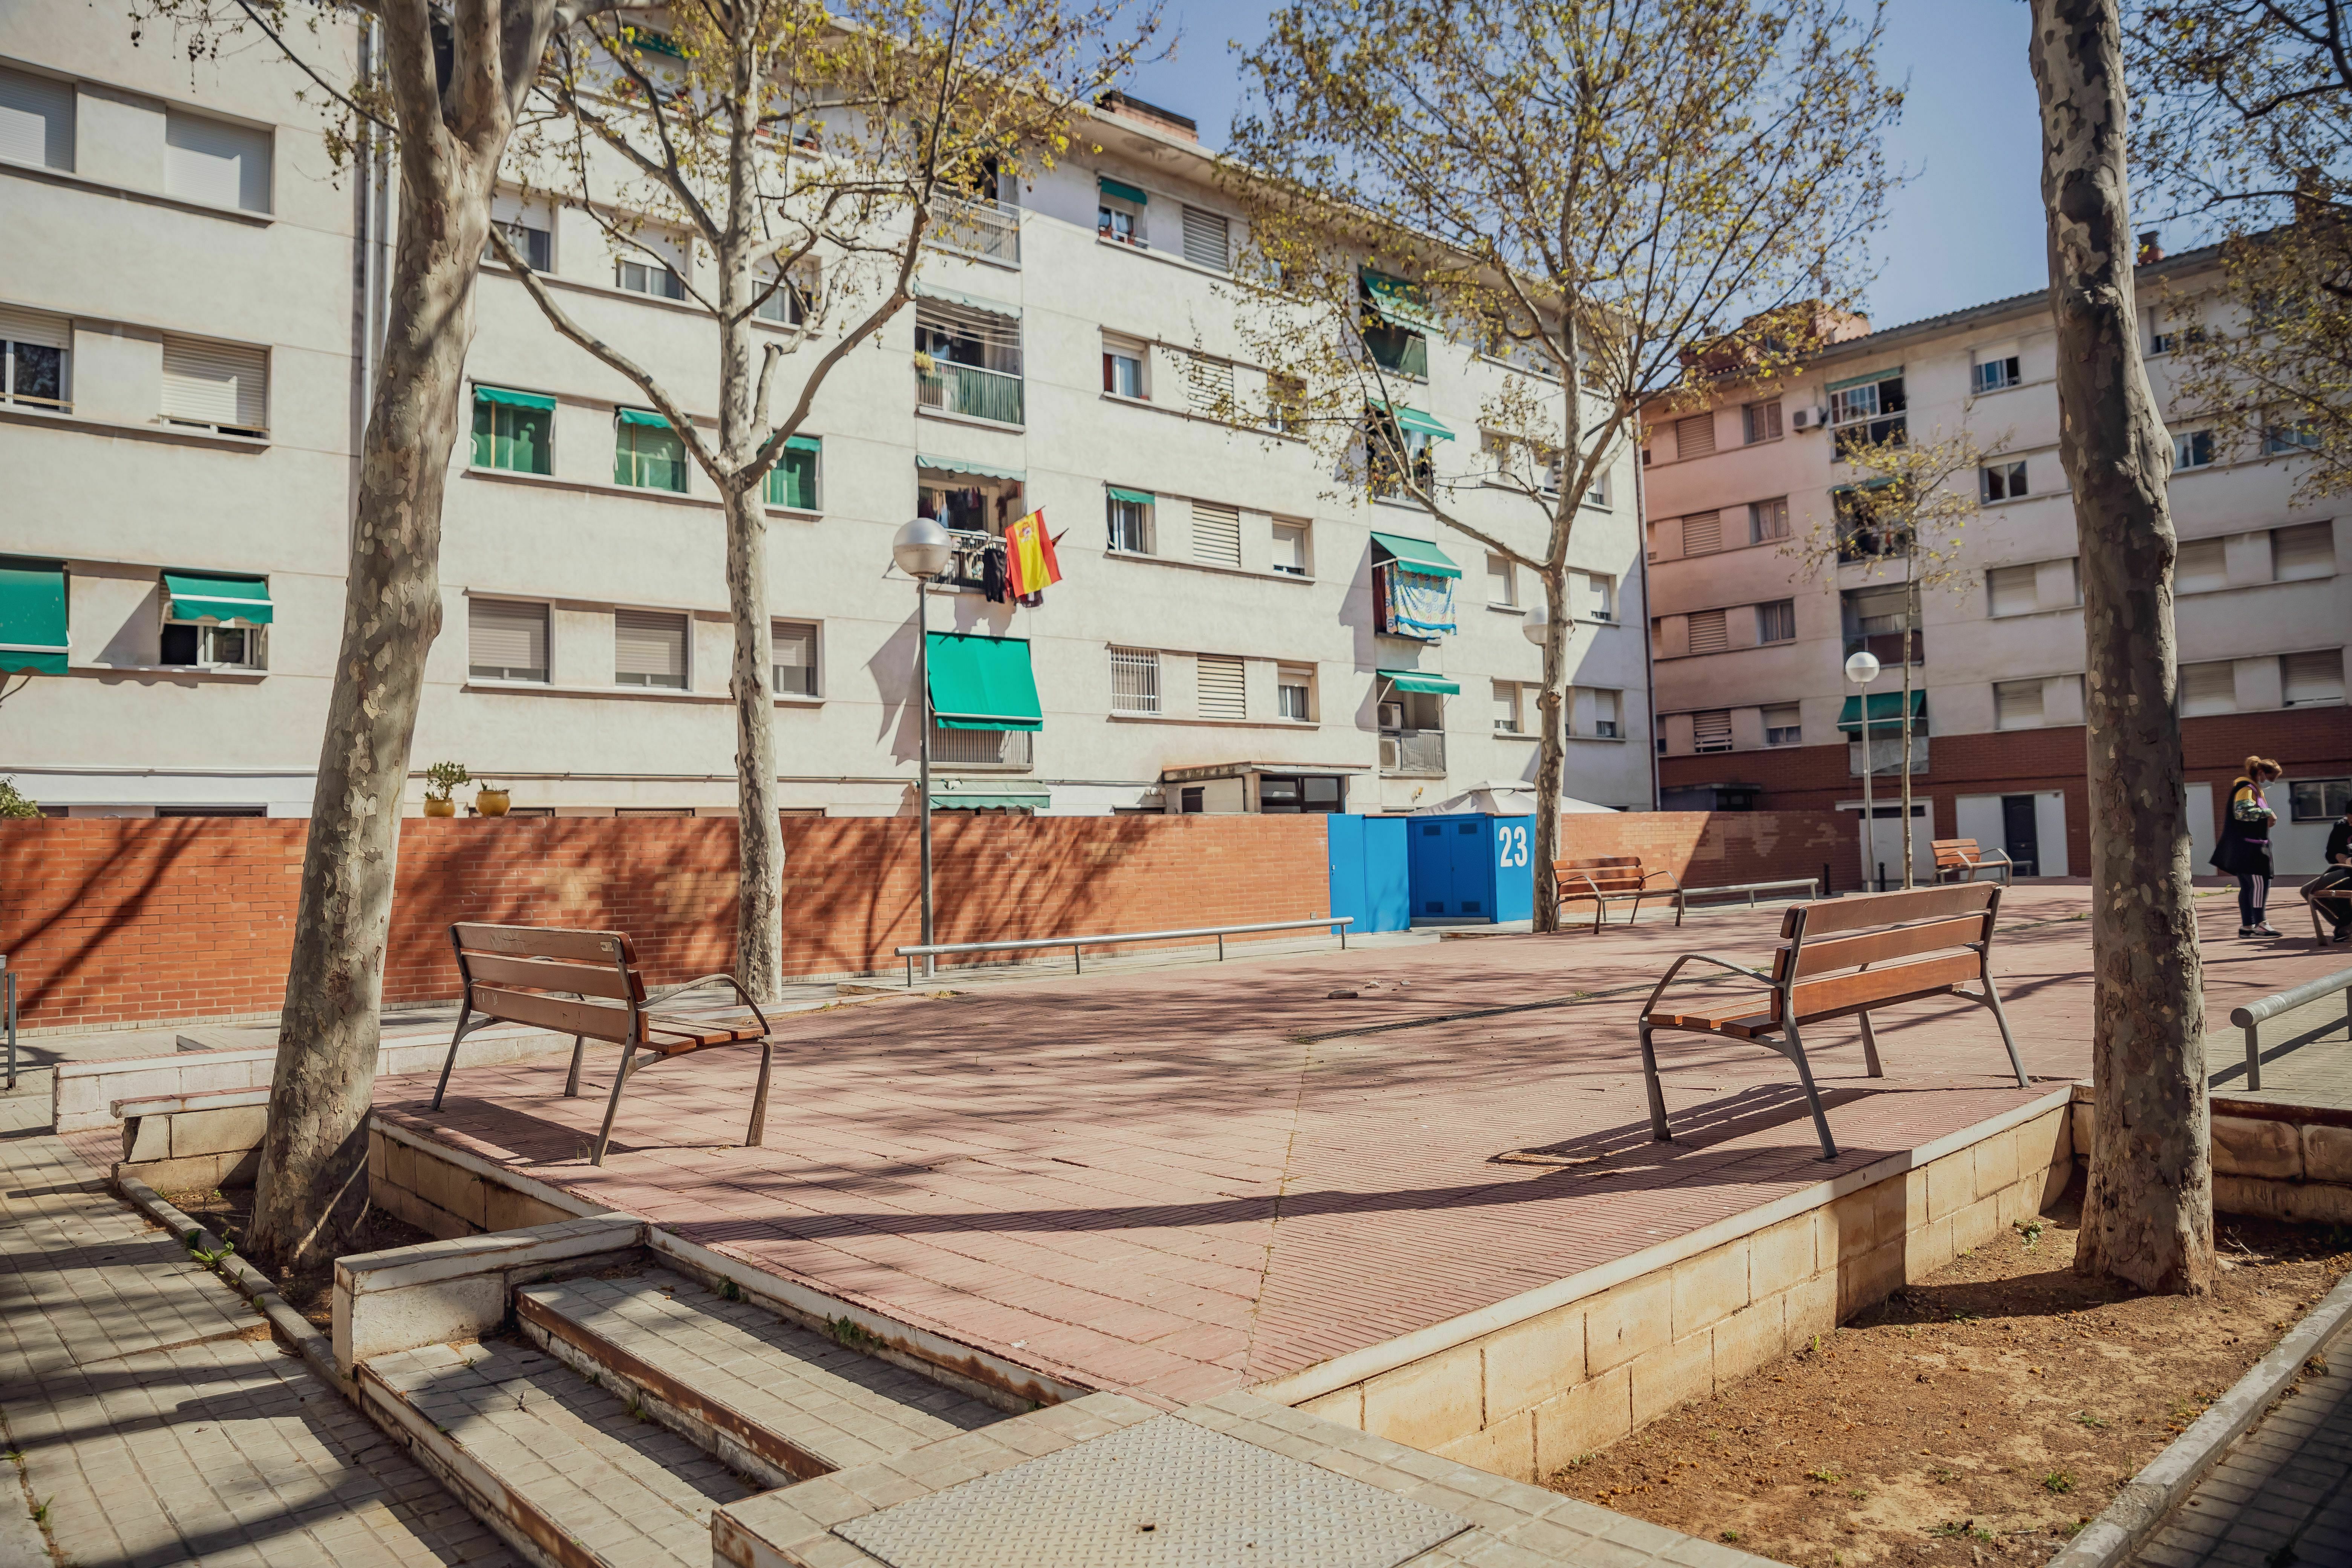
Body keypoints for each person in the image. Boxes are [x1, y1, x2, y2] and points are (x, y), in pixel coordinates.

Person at [2211, 756, 2282, 937]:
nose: (2272, 782)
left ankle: (2247, 926)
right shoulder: (2247, 788)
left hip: (2246, 848)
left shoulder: (2252, 789)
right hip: (2251, 849)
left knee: (2248, 887)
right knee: (2260, 885)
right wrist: (2269, 812)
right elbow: (2243, 812)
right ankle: (2260, 923)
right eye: (2271, 778)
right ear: (2261, 773)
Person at [2303, 794, 2352, 943]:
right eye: (2349, 820)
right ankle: (2344, 923)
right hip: (2345, 870)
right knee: (2308, 891)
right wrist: (2341, 857)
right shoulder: (2341, 826)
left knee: (2336, 889)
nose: (2350, 825)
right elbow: (2331, 852)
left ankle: (2346, 924)